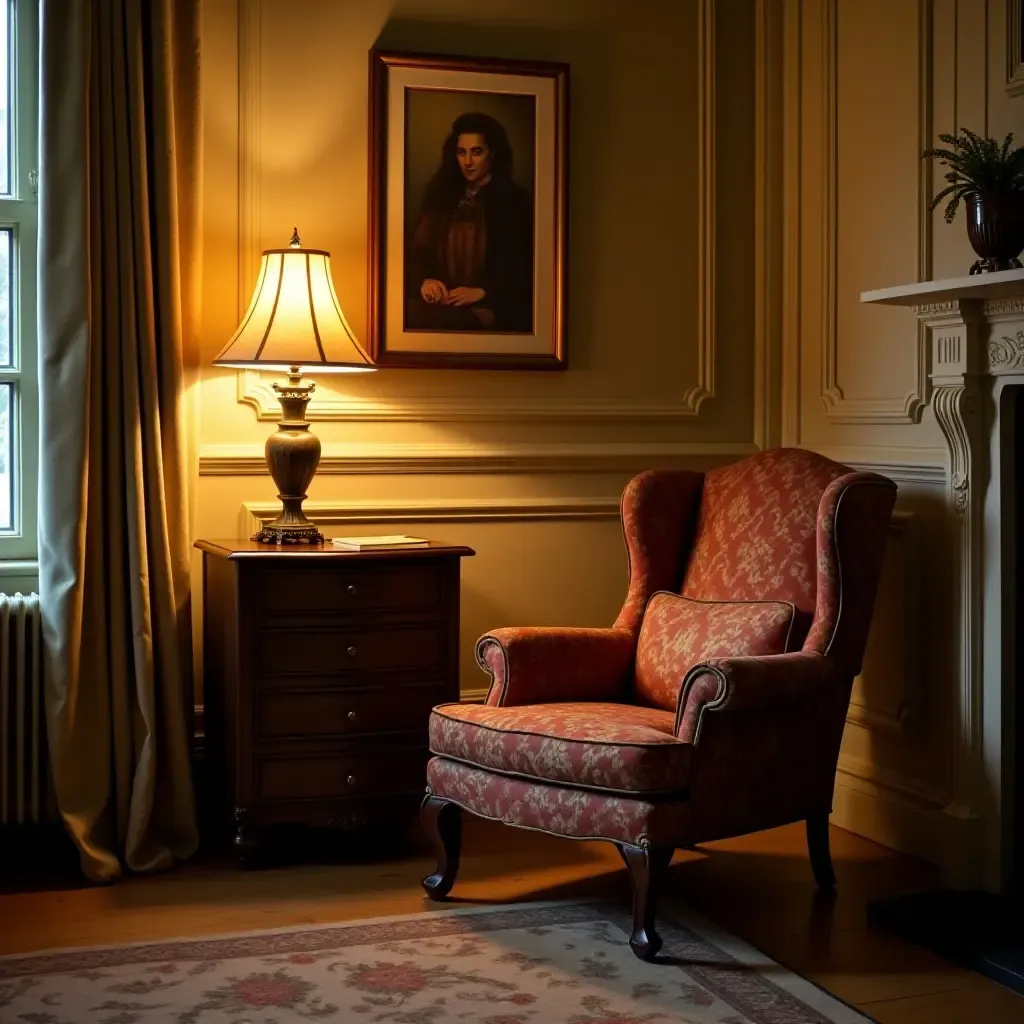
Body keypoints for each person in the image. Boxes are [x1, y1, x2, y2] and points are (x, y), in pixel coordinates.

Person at [406, 111, 534, 333]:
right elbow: (419, 251)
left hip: (491, 306)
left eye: (476, 152)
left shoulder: (515, 201)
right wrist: (425, 281)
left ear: (492, 153)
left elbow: (524, 267)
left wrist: (484, 291)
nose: (467, 162)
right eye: (461, 152)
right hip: (443, 300)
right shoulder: (440, 194)